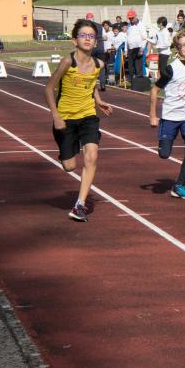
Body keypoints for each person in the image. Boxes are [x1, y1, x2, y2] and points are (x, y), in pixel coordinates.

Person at [44, 18, 114, 222]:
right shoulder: (68, 62)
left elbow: (90, 84)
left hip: (88, 116)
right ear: (75, 40)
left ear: (96, 42)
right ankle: (65, 152)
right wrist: (56, 116)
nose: (87, 39)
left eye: (91, 36)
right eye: (83, 35)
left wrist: (98, 101)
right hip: (65, 119)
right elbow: (48, 89)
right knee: (70, 166)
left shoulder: (98, 64)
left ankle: (80, 205)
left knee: (92, 156)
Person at [149, 28, 185, 200]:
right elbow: (154, 90)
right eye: (184, 45)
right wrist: (152, 115)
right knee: (164, 154)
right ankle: (163, 142)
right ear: (177, 48)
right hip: (170, 116)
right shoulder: (171, 69)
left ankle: (180, 185)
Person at [126, 9, 148, 81]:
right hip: (130, 48)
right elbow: (127, 37)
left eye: (132, 18)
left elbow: (145, 38)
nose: (131, 19)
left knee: (138, 65)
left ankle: (139, 80)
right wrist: (126, 49)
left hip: (138, 47)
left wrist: (141, 49)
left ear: (135, 16)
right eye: (129, 18)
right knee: (130, 65)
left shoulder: (141, 25)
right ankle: (131, 80)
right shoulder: (129, 25)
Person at [99, 20, 116, 90]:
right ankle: (104, 81)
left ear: (109, 26)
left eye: (106, 25)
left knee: (110, 67)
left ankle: (111, 81)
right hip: (103, 52)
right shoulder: (102, 33)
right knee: (103, 67)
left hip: (110, 52)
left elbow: (113, 42)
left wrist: (111, 48)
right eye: (104, 25)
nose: (105, 27)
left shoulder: (111, 33)